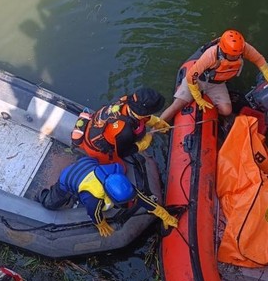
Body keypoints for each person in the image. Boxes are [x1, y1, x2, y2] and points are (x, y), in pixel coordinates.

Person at [161, 29, 268, 120]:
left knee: (226, 111)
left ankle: (213, 119)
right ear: (224, 51)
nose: (236, 56)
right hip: (198, 80)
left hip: (217, 83)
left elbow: (258, 59)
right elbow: (191, 76)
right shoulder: (210, 55)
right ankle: (156, 129)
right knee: (177, 105)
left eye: (238, 54)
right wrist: (198, 97)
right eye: (233, 55)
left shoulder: (242, 48)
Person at [39, 157, 179, 237]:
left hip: (87, 163)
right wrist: (101, 224)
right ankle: (40, 195)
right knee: (50, 203)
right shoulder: (93, 199)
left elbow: (143, 199)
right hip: (69, 176)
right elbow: (94, 214)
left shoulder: (118, 178)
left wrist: (165, 215)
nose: (132, 201)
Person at [72, 87, 170, 166]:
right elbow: (122, 152)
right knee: (122, 168)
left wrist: (155, 122)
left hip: (96, 128)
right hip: (97, 149)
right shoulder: (124, 131)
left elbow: (138, 115)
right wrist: (141, 145)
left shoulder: (125, 101)